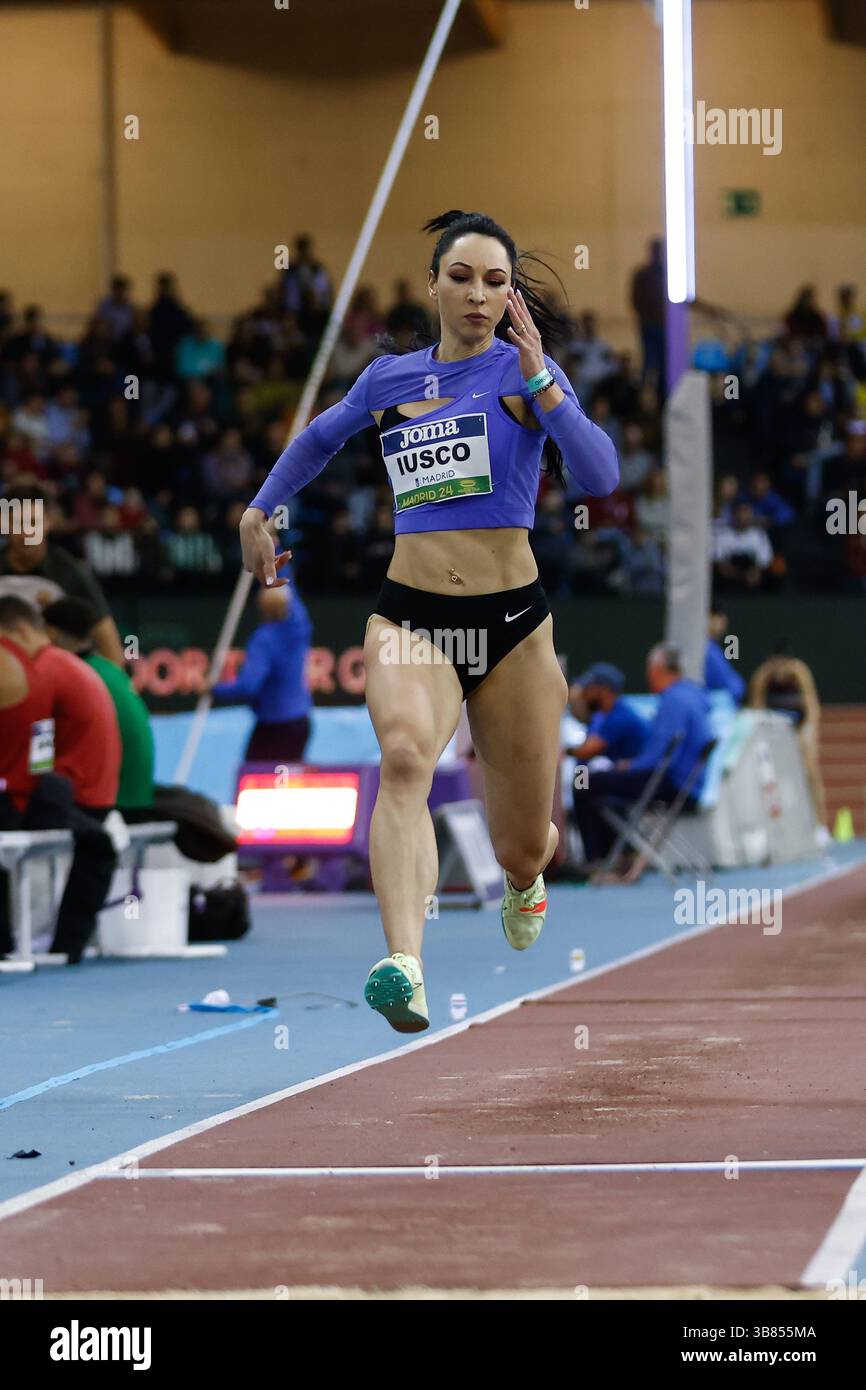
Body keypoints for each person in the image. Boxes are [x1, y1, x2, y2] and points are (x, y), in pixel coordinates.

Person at [240, 208, 618, 1032]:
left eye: (495, 282)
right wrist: (261, 508)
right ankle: (403, 964)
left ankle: (525, 880)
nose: (478, 296)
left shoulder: (528, 374)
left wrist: (547, 382)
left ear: (511, 296)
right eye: (462, 278)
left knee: (523, 841)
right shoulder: (389, 380)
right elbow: (317, 441)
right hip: (412, 615)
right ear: (433, 285)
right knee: (406, 757)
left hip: (513, 622)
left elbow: (599, 474)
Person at [0, 595, 120, 961]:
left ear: (21, 630)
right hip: (93, 794)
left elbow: (34, 746)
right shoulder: (71, 666)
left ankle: (47, 946)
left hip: (73, 793)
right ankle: (65, 947)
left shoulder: (45, 670)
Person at [572, 643, 711, 871]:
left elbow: (658, 759)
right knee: (603, 783)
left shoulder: (673, 701)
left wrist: (628, 766)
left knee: (586, 783)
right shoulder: (692, 694)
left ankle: (598, 860)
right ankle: (619, 854)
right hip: (687, 784)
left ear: (657, 670)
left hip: (670, 783)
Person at [43, 596, 155, 814]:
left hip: (109, 802)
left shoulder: (71, 674)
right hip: (134, 798)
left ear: (52, 633)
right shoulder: (109, 670)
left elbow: (39, 743)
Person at [0, 476, 125, 665]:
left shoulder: (71, 572)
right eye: (17, 523)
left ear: (49, 522)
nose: (26, 533)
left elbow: (109, 643)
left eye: (33, 523)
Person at [208, 581, 313, 763]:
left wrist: (214, 688)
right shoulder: (299, 626)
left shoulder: (264, 640)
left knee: (254, 779)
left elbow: (248, 686)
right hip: (301, 722)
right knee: (290, 779)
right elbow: (290, 588)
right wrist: (274, 556)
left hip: (275, 726)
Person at [748, 648, 826, 830]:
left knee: (810, 772)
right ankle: (769, 825)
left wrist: (807, 735)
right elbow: (755, 711)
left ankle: (820, 826)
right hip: (772, 733)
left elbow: (813, 710)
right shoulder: (762, 677)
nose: (779, 671)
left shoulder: (799, 673)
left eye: (782, 665)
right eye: (775, 665)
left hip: (798, 730)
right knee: (766, 775)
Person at [566, 663, 648, 764]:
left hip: (637, 775)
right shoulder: (601, 714)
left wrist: (562, 751)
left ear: (603, 691)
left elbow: (586, 751)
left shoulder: (620, 716)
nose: (584, 693)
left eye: (589, 688)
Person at [630, 238, 666, 387]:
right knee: (649, 363)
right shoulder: (643, 274)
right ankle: (644, 398)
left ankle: (662, 397)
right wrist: (647, 318)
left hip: (662, 326)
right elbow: (635, 299)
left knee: (663, 364)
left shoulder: (668, 274)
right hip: (650, 325)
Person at [704, 607, 746, 705]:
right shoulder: (707, 648)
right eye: (720, 618)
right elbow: (732, 687)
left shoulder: (712, 648)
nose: (723, 624)